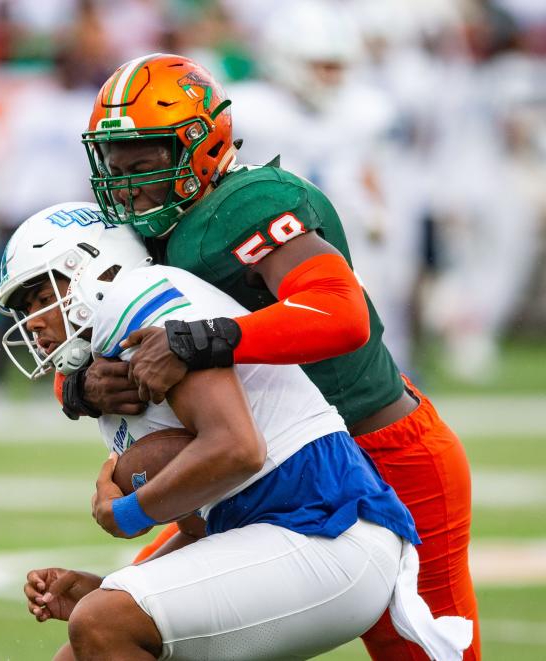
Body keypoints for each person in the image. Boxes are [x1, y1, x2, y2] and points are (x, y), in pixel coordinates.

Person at [58, 53, 481, 660]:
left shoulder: (246, 203)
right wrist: (82, 387)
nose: (127, 181)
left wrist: (205, 338)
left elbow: (340, 314)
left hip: (383, 457)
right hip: (265, 479)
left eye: (145, 160)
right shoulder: (135, 233)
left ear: (199, 147)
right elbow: (84, 349)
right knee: (106, 633)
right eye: (115, 163)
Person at [0, 201, 472, 661]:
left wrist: (127, 517)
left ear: (96, 271)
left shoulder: (137, 295)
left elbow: (238, 449)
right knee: (83, 646)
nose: (35, 324)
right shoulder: (109, 374)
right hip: (285, 535)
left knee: (103, 623)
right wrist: (106, 587)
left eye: (42, 298)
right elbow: (205, 529)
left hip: (329, 524)